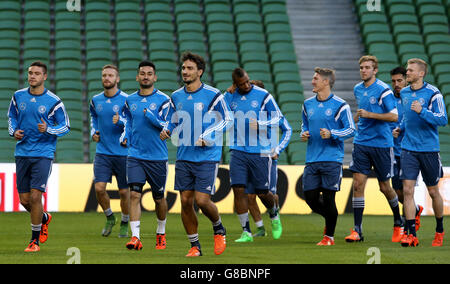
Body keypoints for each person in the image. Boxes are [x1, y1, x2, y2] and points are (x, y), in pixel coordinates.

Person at [160, 52, 232, 257]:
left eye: (190, 68)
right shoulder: (176, 96)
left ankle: (218, 228)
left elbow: (227, 120)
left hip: (207, 156)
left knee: (201, 200)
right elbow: (171, 120)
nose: (185, 71)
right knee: (185, 201)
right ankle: (195, 246)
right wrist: (166, 129)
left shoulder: (213, 94)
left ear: (200, 72)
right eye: (183, 68)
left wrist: (209, 135)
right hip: (184, 155)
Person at [7, 61, 70, 252]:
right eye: (30, 73)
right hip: (22, 152)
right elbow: (12, 117)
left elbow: (65, 125)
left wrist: (49, 129)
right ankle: (44, 218)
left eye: (36, 73)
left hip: (43, 153)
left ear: (45, 77)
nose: (32, 76)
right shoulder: (18, 96)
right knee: (24, 200)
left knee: (35, 197)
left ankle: (34, 242)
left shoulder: (54, 101)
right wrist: (14, 132)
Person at [346, 55, 403, 243]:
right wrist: (350, 122)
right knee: (357, 185)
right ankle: (357, 230)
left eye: (368, 67)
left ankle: (398, 221)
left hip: (382, 145)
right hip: (362, 142)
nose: (364, 70)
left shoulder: (384, 90)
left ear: (375, 70)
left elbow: (394, 116)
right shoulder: (357, 89)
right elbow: (361, 112)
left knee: (385, 187)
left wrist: (370, 115)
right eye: (362, 67)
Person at [225, 68, 284, 243]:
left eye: (247, 81)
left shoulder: (263, 95)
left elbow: (278, 118)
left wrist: (261, 123)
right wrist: (227, 95)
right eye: (241, 84)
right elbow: (219, 114)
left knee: (263, 192)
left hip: (260, 151)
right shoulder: (229, 96)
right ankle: (246, 232)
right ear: (236, 84)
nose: (246, 85)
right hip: (237, 150)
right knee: (239, 190)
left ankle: (273, 214)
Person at [393, 58, 447, 247]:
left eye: (410, 71)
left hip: (429, 150)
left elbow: (442, 119)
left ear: (421, 73)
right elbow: (406, 117)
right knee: (407, 190)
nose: (406, 73)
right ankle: (411, 234)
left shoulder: (434, 94)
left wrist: (422, 111)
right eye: (407, 70)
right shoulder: (405, 92)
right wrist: (400, 128)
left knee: (433, 191)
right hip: (408, 149)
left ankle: (439, 230)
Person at [301, 67, 355, 245]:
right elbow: (305, 125)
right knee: (310, 199)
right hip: (312, 158)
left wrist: (332, 133)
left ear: (326, 82)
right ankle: (332, 219)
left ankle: (329, 237)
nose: (312, 81)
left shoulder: (341, 105)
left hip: (332, 159)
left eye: (316, 78)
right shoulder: (307, 104)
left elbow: (350, 129)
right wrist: (304, 133)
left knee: (330, 199)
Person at [120, 61, 171, 251]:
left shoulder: (165, 100)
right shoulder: (130, 100)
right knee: (134, 194)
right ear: (137, 77)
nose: (146, 76)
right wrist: (125, 135)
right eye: (142, 73)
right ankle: (135, 237)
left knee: (159, 198)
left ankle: (161, 231)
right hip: (135, 155)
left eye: (149, 74)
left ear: (155, 77)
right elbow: (127, 120)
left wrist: (152, 117)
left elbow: (169, 126)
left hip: (157, 157)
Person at [89, 64, 130, 238]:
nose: (106, 78)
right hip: (103, 152)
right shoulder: (95, 100)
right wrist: (93, 132)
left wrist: (121, 121)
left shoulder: (128, 100)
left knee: (123, 192)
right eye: (104, 75)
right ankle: (110, 217)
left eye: (110, 75)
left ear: (117, 79)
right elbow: (93, 118)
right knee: (99, 188)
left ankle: (125, 222)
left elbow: (134, 124)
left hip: (123, 153)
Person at [389, 66, 423, 242]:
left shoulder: (411, 98)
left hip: (410, 151)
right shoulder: (388, 100)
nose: (396, 84)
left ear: (406, 79)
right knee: (397, 190)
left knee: (407, 190)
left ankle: (404, 226)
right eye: (393, 81)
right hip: (393, 151)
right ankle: (415, 211)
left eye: (399, 80)